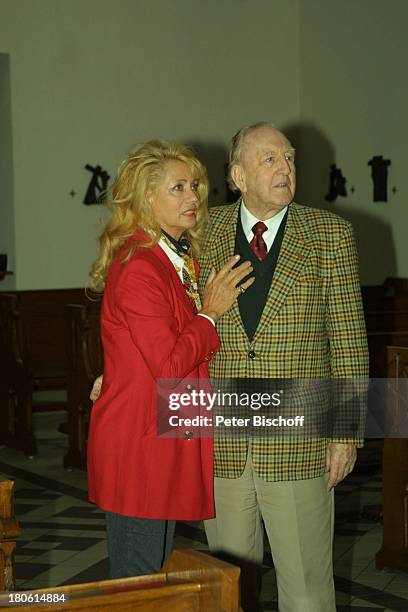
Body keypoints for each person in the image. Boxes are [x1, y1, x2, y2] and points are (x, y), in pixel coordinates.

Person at [199, 122, 369, 612]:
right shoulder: (203, 232)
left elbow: (350, 342)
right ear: (238, 175)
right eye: (270, 159)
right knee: (229, 589)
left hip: (300, 440)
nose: (285, 168)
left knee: (307, 589)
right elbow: (174, 324)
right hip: (222, 440)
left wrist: (344, 433)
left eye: (290, 158)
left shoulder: (328, 234)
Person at [87, 140, 254, 579]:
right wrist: (211, 312)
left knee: (155, 572)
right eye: (178, 187)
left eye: (195, 185)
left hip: (162, 435)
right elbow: (168, 363)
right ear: (146, 198)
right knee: (139, 580)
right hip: (141, 446)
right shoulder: (141, 264)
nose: (193, 197)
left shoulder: (169, 257)